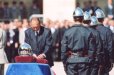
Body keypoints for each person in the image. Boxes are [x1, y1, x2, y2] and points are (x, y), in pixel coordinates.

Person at [61, 7, 95, 75]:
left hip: (71, 61)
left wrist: (65, 62)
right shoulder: (88, 32)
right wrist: (90, 60)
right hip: (84, 61)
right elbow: (91, 50)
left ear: (73, 18)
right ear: (82, 18)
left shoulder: (67, 32)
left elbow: (63, 50)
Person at [95, 9, 113, 75]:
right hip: (105, 59)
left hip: (94, 60)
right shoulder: (108, 31)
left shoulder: (91, 30)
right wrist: (111, 60)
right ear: (103, 19)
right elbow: (110, 47)